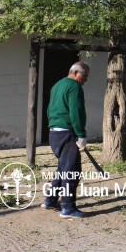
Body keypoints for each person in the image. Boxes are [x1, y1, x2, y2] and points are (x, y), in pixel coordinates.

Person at [41, 62, 90, 219]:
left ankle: (50, 199)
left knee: (63, 168)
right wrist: (80, 134)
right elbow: (76, 112)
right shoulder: (74, 87)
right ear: (76, 73)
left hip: (54, 133)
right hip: (67, 133)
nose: (86, 79)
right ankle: (68, 207)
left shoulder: (57, 85)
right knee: (72, 171)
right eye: (85, 76)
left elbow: (49, 109)